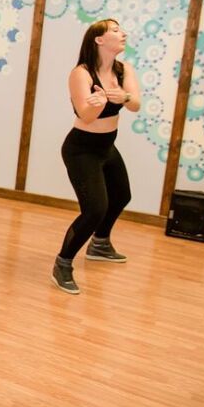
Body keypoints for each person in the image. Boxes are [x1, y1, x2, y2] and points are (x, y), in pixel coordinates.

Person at [52, 18, 139, 295]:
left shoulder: (124, 70)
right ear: (99, 40)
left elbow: (135, 104)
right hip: (82, 148)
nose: (122, 33)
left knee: (122, 195)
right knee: (95, 209)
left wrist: (122, 97)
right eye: (115, 30)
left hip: (106, 146)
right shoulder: (81, 73)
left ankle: (100, 244)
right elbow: (85, 116)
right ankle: (63, 264)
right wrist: (98, 104)